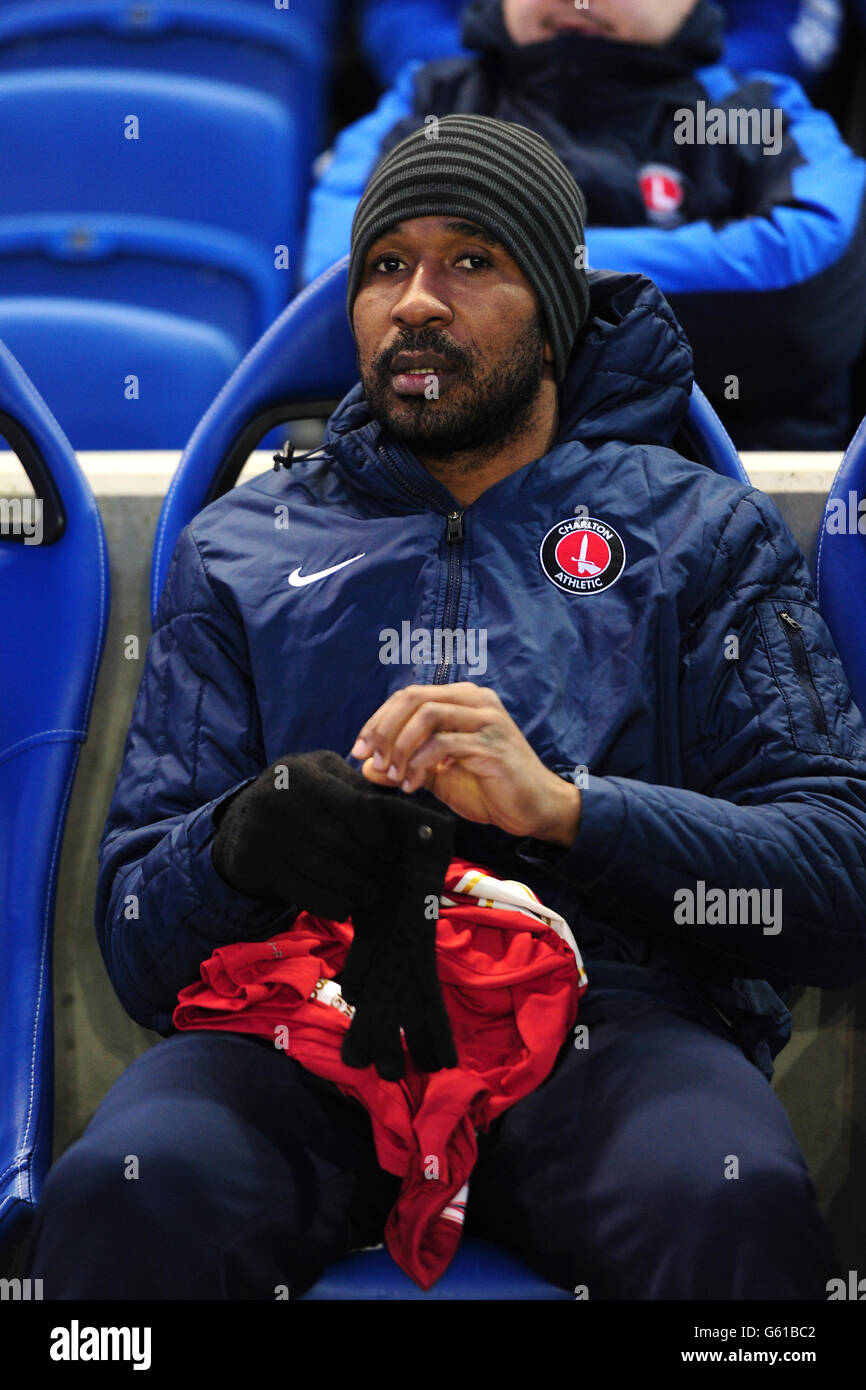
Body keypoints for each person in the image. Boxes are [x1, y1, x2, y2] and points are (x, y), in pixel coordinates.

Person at [24, 115, 866, 1299]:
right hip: (304, 1018)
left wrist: (572, 812)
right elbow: (136, 944)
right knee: (130, 1187)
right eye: (384, 266)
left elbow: (837, 881)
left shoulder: (695, 532)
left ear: (554, 310)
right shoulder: (244, 545)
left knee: (725, 1198)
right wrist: (240, 840)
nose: (415, 302)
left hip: (607, 1027)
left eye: (471, 260)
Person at [303, 0, 866, 449]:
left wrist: (506, 265)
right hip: (441, 488)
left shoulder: (755, 111)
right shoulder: (427, 99)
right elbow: (338, 284)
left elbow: (806, 295)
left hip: (724, 483)